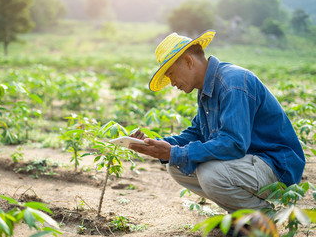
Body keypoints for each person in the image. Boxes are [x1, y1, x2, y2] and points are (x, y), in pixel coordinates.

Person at [129, 30, 305, 213]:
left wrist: (175, 152)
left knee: (209, 173)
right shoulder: (207, 89)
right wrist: (158, 145)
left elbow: (233, 144)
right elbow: (196, 132)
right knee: (176, 166)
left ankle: (262, 218)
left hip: (277, 168)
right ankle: (241, 212)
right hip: (249, 163)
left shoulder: (232, 84)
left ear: (188, 61)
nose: (172, 82)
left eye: (171, 73)